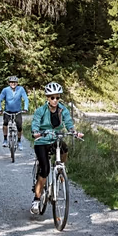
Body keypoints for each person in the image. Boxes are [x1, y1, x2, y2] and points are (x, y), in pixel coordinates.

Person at [30, 82, 82, 214]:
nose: (55, 100)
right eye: (52, 97)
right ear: (47, 98)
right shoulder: (40, 111)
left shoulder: (62, 109)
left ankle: (60, 170)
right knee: (45, 169)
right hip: (41, 141)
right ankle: (36, 200)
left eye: (57, 97)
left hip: (55, 139)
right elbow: (35, 123)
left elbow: (68, 122)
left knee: (65, 148)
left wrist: (74, 131)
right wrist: (36, 132)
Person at [0, 75, 29, 149]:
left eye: (14, 82)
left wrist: (25, 108)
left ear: (17, 83)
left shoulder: (21, 89)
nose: (13, 84)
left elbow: (26, 99)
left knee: (19, 127)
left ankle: (19, 141)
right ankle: (5, 140)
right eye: (11, 82)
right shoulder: (5, 90)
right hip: (7, 111)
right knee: (5, 124)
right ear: (9, 83)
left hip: (18, 111)